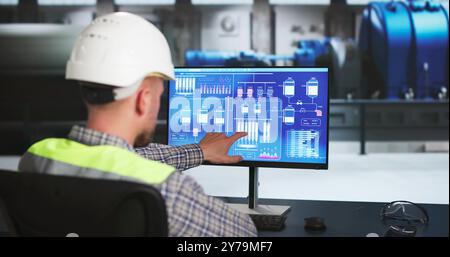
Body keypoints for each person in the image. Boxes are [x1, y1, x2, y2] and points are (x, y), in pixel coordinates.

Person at [18, 12, 257, 237]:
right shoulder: (167, 191)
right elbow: (245, 235)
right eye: (159, 94)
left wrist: (200, 151)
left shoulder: (37, 158)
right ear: (143, 99)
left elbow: (117, 159)